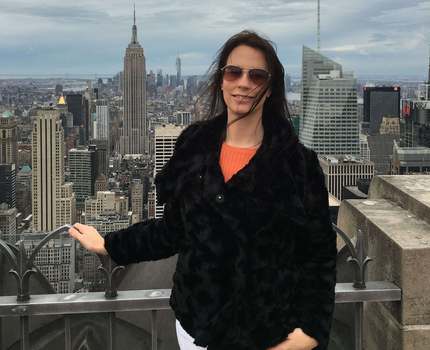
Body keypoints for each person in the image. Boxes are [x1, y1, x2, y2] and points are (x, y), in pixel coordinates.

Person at [69, 30, 337, 350]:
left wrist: (310, 331)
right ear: (221, 81)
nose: (243, 83)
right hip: (197, 326)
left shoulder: (298, 163)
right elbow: (173, 230)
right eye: (234, 72)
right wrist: (110, 245)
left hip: (270, 333)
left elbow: (319, 254)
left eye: (257, 75)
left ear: (269, 88)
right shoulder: (194, 145)